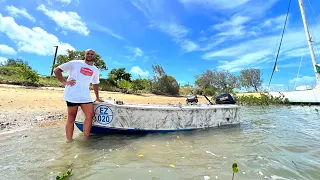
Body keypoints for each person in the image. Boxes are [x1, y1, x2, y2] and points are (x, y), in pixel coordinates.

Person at [53, 49, 104, 142]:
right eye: (88, 53)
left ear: (94, 56)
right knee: (71, 117)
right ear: (84, 54)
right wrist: (64, 82)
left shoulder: (95, 70)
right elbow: (57, 70)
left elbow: (95, 83)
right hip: (72, 95)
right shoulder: (75, 63)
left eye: (92, 54)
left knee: (90, 116)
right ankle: (69, 141)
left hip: (85, 95)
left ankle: (86, 138)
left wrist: (97, 97)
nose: (89, 55)